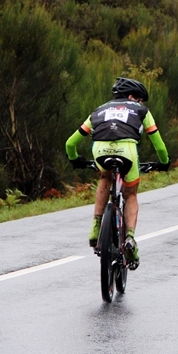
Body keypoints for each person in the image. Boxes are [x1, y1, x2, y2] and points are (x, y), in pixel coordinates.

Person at [65, 77, 170, 270]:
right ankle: (129, 237)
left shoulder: (99, 110)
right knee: (130, 194)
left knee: (105, 177)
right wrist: (164, 162)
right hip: (127, 151)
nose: (141, 103)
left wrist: (75, 159)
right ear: (132, 97)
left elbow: (70, 143)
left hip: (100, 151)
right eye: (140, 99)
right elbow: (159, 144)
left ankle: (95, 228)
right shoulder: (141, 111)